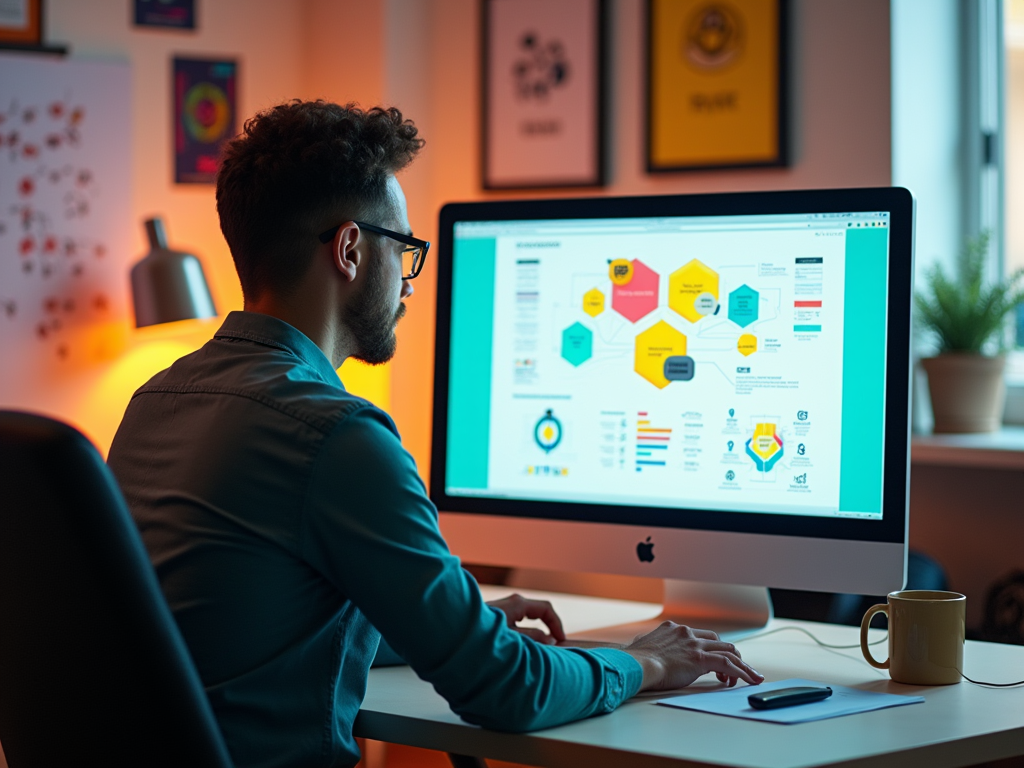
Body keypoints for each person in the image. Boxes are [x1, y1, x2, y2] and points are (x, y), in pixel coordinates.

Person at [107, 100, 762, 768]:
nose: (409, 284)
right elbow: (506, 690)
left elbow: (240, 627)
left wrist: (456, 623)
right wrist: (642, 662)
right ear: (352, 249)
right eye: (406, 249)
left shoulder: (154, 402)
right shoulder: (337, 438)